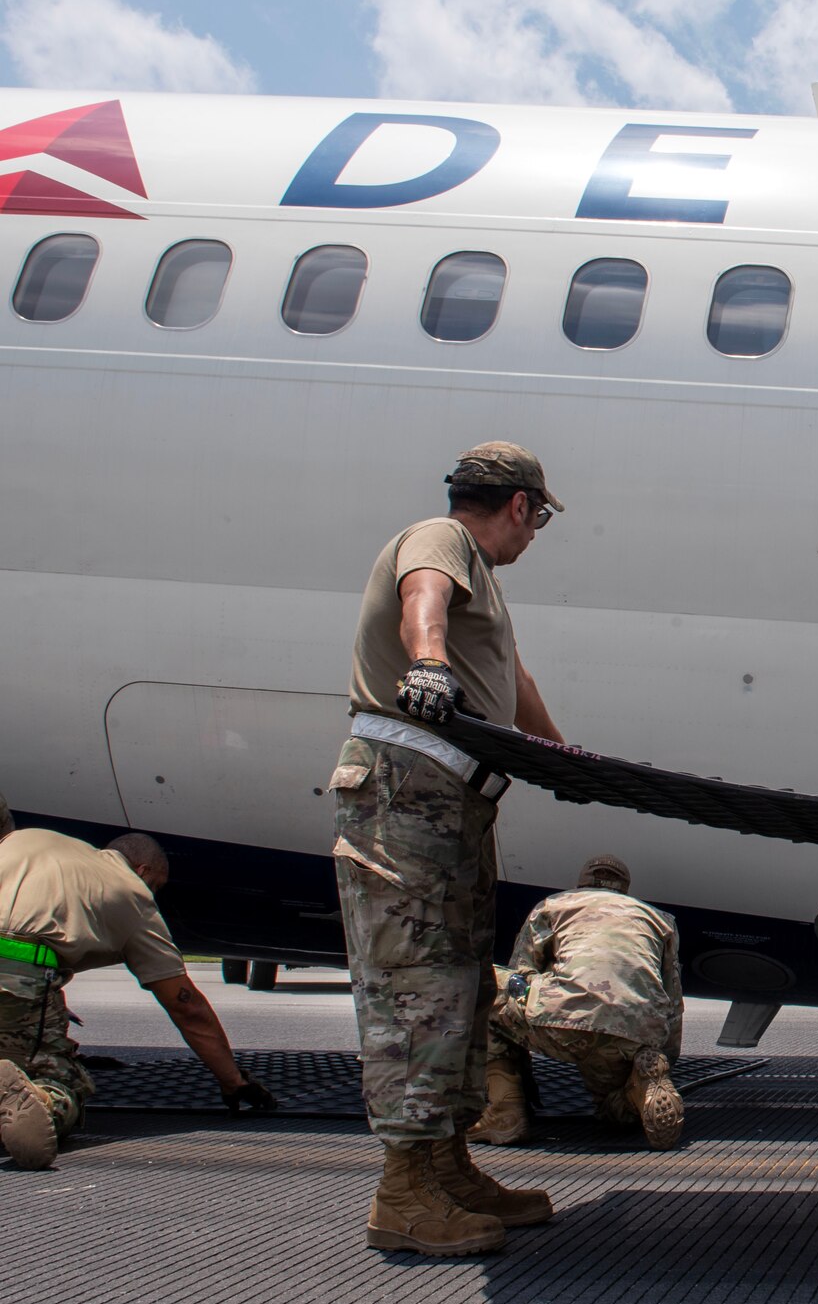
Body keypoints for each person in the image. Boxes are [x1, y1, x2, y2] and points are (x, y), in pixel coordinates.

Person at [328, 442, 567, 1256]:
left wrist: (564, 760)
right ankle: (403, 1194)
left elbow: (517, 682)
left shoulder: (487, 593)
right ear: (521, 507)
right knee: (417, 983)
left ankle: (449, 1167)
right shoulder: (442, 540)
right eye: (538, 521)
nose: (533, 537)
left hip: (453, 803)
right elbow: (420, 596)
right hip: (406, 793)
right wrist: (428, 661)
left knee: (463, 983)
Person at [0, 822, 275, 1168]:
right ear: (143, 870)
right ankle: (41, 1103)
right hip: (20, 977)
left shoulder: (29, 838)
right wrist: (233, 1081)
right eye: (156, 885)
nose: (154, 894)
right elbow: (184, 1004)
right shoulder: (133, 896)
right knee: (63, 1080)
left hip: (21, 977)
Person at [467, 854, 684, 1150]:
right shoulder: (660, 921)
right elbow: (672, 1003)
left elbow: (522, 972)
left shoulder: (554, 906)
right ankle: (637, 1087)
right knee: (613, 1115)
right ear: (625, 890)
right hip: (634, 1035)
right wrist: (665, 1058)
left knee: (483, 986)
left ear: (581, 885)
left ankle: (505, 1113)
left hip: (564, 1022)